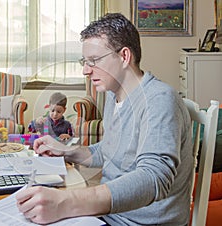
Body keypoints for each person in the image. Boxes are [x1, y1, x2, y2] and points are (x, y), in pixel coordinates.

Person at [16, 13, 193, 225]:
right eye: (85, 61)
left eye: (94, 61)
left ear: (124, 56)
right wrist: (66, 151)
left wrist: (65, 202)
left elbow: (154, 178)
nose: (85, 70)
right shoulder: (114, 94)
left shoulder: (159, 100)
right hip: (110, 216)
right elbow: (110, 151)